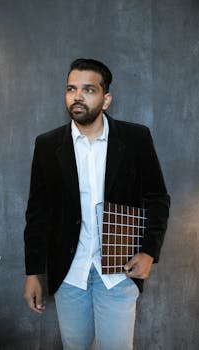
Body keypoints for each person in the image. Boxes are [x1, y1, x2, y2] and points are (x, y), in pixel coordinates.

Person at [24, 58, 170, 350]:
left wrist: (149, 252)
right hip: (69, 273)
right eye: (71, 88)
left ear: (106, 99)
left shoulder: (135, 138)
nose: (77, 96)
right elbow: (38, 213)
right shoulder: (47, 144)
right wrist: (33, 273)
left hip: (118, 272)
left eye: (88, 89)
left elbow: (157, 198)